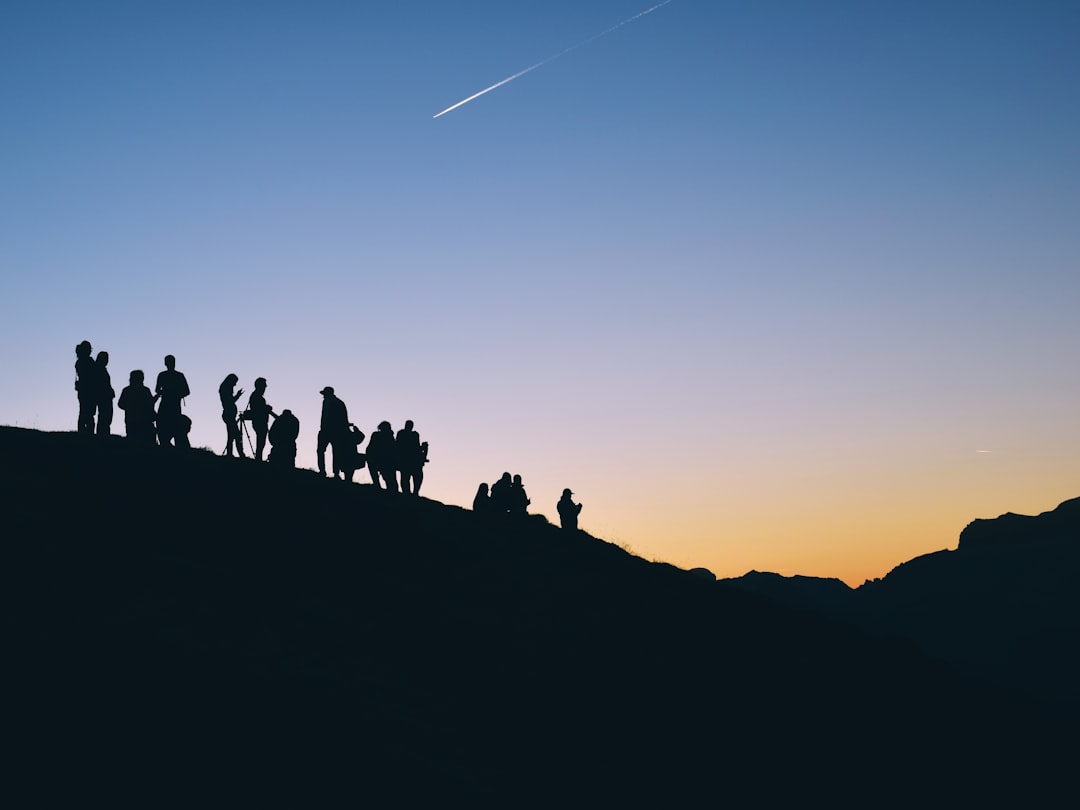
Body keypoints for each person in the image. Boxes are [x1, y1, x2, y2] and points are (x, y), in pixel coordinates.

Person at [155, 354, 190, 447]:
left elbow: (157, 390)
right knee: (170, 426)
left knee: (167, 426)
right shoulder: (178, 375)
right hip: (171, 404)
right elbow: (187, 391)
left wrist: (168, 393)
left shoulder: (163, 375)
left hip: (169, 404)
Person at [117, 370, 156, 445]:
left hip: (131, 420)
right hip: (144, 421)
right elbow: (150, 404)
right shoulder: (145, 390)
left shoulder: (126, 390)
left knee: (132, 443)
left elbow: (120, 404)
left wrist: (129, 408)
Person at [317, 386, 349, 477]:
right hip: (338, 431)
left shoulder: (328, 402)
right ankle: (336, 473)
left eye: (324, 394)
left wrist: (323, 429)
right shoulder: (340, 402)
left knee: (321, 450)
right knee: (337, 452)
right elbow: (344, 418)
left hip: (327, 430)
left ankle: (322, 471)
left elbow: (325, 417)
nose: (323, 396)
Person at [243, 377, 275, 461]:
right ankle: (258, 460)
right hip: (259, 422)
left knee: (261, 442)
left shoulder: (256, 396)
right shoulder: (257, 396)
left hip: (259, 422)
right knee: (261, 443)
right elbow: (259, 409)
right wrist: (267, 408)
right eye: (264, 385)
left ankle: (258, 459)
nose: (265, 387)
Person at [396, 420, 426, 495]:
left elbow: (417, 446)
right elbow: (398, 445)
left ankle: (415, 492)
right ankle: (407, 493)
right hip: (405, 458)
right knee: (405, 477)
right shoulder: (401, 433)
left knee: (417, 476)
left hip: (414, 459)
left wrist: (422, 448)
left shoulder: (415, 435)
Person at [366, 421, 398, 491]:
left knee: (390, 479)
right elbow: (370, 448)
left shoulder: (389, 437)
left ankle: (389, 490)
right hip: (379, 459)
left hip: (387, 461)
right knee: (389, 478)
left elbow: (393, 449)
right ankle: (377, 485)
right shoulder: (376, 435)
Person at [219, 374, 245, 457]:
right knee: (236, 435)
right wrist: (237, 395)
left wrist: (238, 395)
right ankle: (240, 454)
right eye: (235, 382)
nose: (235, 384)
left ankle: (230, 454)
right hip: (229, 415)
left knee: (231, 435)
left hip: (229, 415)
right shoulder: (225, 390)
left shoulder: (224, 389)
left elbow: (231, 401)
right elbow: (230, 401)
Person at [74, 340, 97, 435]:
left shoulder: (79, 362)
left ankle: (83, 431)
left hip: (83, 390)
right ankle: (88, 432)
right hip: (88, 390)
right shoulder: (88, 361)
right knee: (88, 412)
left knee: (84, 411)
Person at [95, 350, 115, 436]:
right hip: (104, 396)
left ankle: (103, 433)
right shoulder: (99, 369)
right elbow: (103, 384)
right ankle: (103, 434)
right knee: (105, 415)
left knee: (105, 415)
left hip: (105, 395)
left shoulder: (101, 369)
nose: (107, 360)